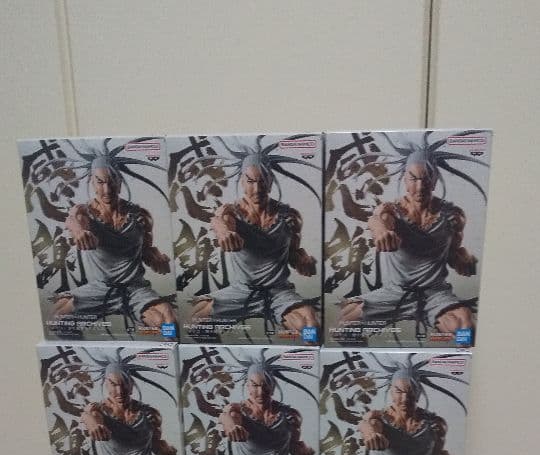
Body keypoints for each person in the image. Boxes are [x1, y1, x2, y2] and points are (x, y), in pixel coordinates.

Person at [337, 132, 488, 337]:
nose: (420, 187)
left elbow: (453, 253)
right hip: (394, 293)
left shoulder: (453, 216)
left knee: (466, 330)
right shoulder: (391, 210)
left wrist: (463, 260)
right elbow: (377, 220)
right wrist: (381, 231)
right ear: (404, 179)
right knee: (342, 326)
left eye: (426, 179)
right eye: (413, 178)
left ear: (435, 180)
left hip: (435, 294)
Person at [190, 140, 320, 337]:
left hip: (279, 292)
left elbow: (292, 254)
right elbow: (219, 222)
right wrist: (224, 233)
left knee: (311, 327)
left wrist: (303, 261)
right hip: (241, 292)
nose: (257, 188)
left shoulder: (290, 216)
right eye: (250, 181)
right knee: (194, 321)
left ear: (270, 181)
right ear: (242, 181)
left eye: (262, 180)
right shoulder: (231, 212)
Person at [55, 142, 176, 332]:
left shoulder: (140, 215)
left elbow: (146, 251)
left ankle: (168, 346)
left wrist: (156, 258)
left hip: (135, 289)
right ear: (92, 182)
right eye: (100, 182)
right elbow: (73, 221)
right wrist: (79, 232)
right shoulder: (84, 213)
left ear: (120, 181)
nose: (107, 189)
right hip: (100, 289)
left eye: (112, 181)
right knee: (57, 319)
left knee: (168, 320)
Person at [67, 357, 183, 455]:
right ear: (106, 384)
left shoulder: (150, 414)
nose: (120, 391)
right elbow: (89, 417)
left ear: (131, 384)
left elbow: (157, 444)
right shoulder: (98, 410)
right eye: (114, 384)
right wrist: (93, 424)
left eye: (124, 384)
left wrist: (167, 451)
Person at [200, 359, 316, 455]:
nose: (260, 392)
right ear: (247, 385)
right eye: (254, 385)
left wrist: (303, 451)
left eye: (265, 385)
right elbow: (226, 416)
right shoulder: (237, 410)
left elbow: (294, 446)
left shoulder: (290, 415)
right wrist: (231, 426)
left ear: (273, 386)